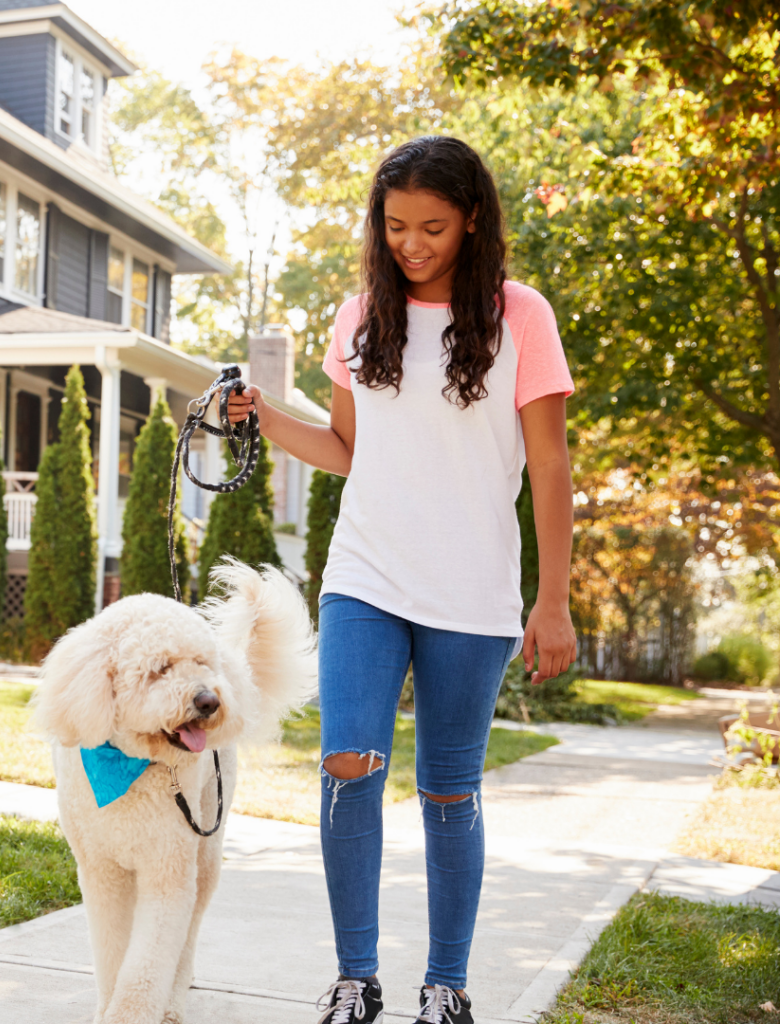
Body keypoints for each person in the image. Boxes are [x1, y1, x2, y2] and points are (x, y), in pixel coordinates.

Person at [227, 135, 576, 1024]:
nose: (412, 244)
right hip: (365, 576)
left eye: (433, 227)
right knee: (348, 765)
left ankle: (446, 986)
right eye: (394, 226)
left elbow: (549, 464)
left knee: (449, 789)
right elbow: (347, 451)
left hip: (473, 591)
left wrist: (554, 599)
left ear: (472, 223)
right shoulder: (359, 316)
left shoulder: (519, 315)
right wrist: (264, 415)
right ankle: (356, 978)